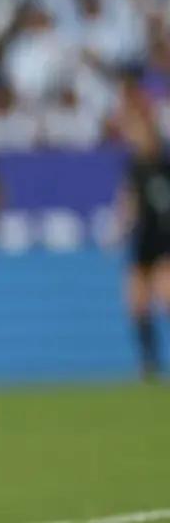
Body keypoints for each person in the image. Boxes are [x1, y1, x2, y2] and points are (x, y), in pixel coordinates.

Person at [116, 71, 168, 381]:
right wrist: (121, 228)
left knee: (166, 298)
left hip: (165, 239)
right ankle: (149, 362)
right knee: (136, 305)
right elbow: (129, 201)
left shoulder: (164, 165)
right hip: (142, 240)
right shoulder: (134, 167)